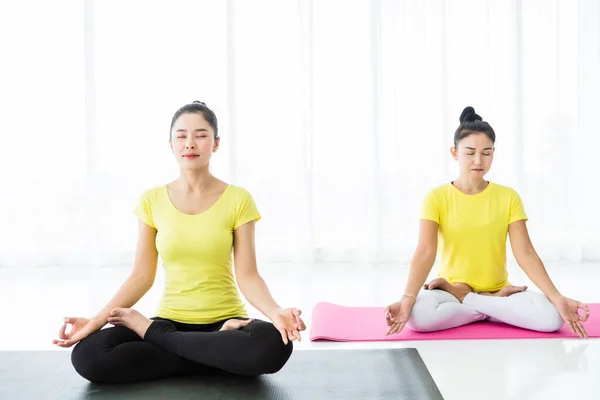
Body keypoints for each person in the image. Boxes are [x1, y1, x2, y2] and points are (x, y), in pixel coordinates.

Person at [53, 101, 306, 383]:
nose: (190, 143)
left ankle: (166, 341)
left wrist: (275, 311)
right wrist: (95, 321)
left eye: (200, 135)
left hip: (227, 324)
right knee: (89, 355)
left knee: (273, 345)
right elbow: (141, 275)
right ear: (171, 144)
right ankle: (215, 358)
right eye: (181, 136)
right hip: (170, 321)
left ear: (216, 143)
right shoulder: (152, 200)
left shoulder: (238, 199)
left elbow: (248, 275)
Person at [385, 106, 590, 339]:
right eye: (470, 152)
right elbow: (425, 252)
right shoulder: (436, 197)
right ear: (454, 152)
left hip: (497, 288)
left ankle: (473, 300)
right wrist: (407, 298)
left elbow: (525, 252)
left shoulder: (508, 197)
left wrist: (557, 297)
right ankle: (491, 306)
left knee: (551, 318)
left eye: (486, 152)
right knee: (419, 317)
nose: (478, 160)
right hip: (448, 292)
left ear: (494, 153)